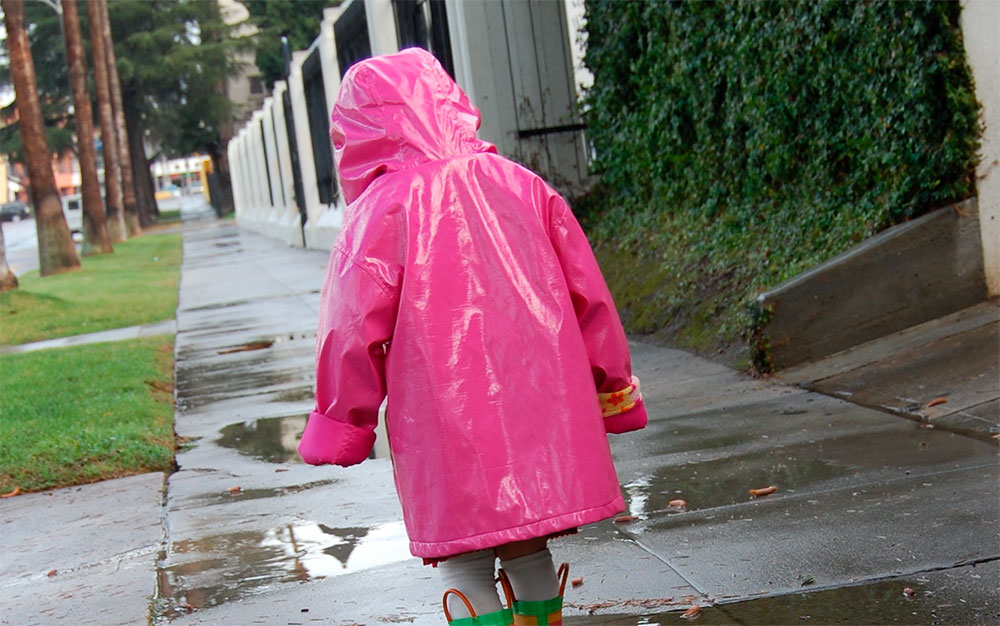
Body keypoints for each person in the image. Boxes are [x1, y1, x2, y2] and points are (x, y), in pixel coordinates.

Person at [298, 47, 647, 625]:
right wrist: (613, 387)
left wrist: (344, 420)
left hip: (442, 416)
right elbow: (590, 296)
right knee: (528, 543)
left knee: (463, 558)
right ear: (448, 102)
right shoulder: (523, 186)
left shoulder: (377, 215)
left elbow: (350, 329)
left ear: (354, 133)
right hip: (538, 401)